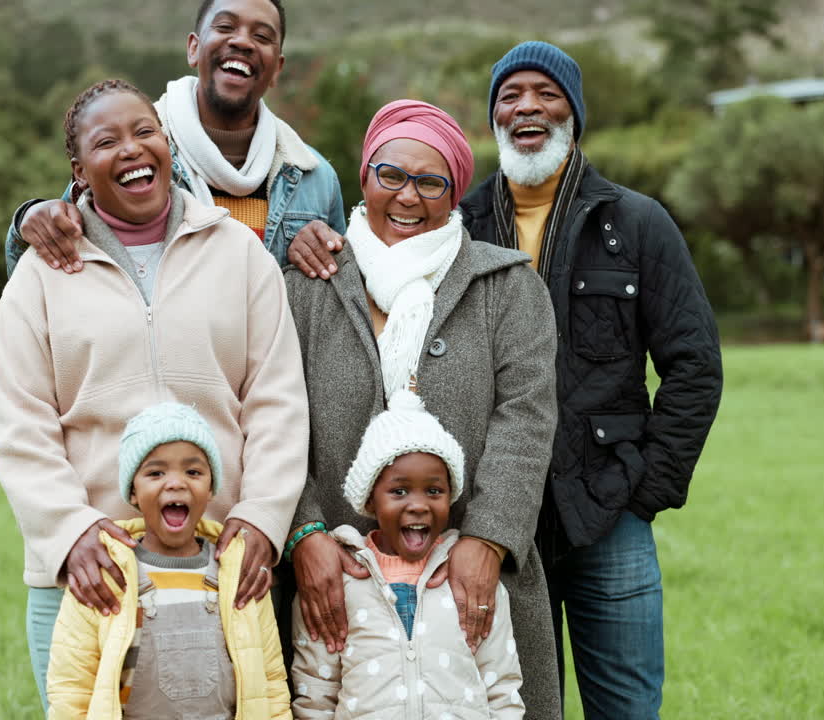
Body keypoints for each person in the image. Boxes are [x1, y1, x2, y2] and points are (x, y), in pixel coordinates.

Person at [287, 42, 724, 720]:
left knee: (620, 703)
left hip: (593, 507)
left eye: (546, 94)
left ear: (575, 113)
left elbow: (686, 367)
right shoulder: (415, 237)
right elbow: (284, 410)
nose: (528, 107)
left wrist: (645, 489)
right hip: (412, 540)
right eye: (510, 95)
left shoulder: (630, 224)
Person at [0, 78, 308, 707]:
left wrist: (260, 520)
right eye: (107, 142)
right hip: (91, 579)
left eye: (145, 132)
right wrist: (70, 533)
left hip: (220, 571)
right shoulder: (40, 276)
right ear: (79, 172)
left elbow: (278, 400)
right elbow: (20, 420)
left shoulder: (239, 254)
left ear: (168, 145)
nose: (132, 150)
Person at [283, 99, 562, 720]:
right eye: (391, 175)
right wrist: (305, 535)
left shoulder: (507, 287)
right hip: (335, 581)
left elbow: (526, 420)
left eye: (430, 181)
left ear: (455, 191)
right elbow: (272, 422)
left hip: (470, 578)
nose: (407, 197)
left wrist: (487, 541)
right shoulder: (306, 283)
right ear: (364, 177)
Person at [5, 0, 344, 276]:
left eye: (262, 36)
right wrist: (31, 218)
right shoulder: (135, 158)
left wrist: (327, 255)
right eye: (225, 27)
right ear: (194, 48)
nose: (241, 41)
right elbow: (44, 261)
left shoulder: (315, 178)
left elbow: (340, 301)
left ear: (277, 69)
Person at [46, 402, 291, 719]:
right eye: (156, 472)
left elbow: (270, 681)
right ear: (133, 492)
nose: (176, 483)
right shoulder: (106, 571)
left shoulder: (236, 572)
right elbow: (71, 688)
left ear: (211, 487)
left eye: (193, 471)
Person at [291, 390, 524, 719]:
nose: (418, 504)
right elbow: (316, 691)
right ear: (371, 501)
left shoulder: (473, 586)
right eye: (399, 491)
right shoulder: (338, 585)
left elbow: (501, 687)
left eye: (434, 490)